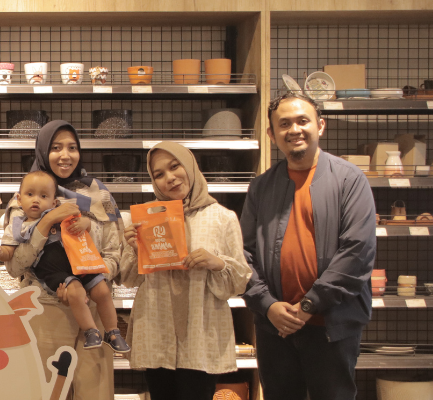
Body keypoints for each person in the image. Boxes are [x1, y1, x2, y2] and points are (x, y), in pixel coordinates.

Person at [241, 93, 375, 400]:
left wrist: (308, 305)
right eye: (284, 124)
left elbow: (357, 252)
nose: (294, 130)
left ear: (320, 126)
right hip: (275, 327)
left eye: (303, 121)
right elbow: (243, 254)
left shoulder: (349, 180)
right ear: (271, 134)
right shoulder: (261, 187)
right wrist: (267, 305)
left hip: (331, 325)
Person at [119, 141, 252, 400]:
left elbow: (239, 282)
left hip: (200, 331)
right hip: (156, 327)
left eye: (174, 166)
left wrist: (217, 262)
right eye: (159, 174)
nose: (169, 178)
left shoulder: (222, 218)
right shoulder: (146, 219)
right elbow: (128, 279)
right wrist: (136, 250)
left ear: (190, 166)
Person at [1, 120, 123, 399]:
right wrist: (46, 223)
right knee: (47, 392)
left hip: (95, 309)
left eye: (72, 147)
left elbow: (115, 253)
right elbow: (15, 267)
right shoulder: (25, 197)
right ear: (43, 151)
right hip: (45, 309)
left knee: (94, 393)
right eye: (55, 148)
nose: (65, 155)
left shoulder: (99, 194)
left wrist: (92, 281)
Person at [0, 171, 129, 352]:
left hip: (80, 266)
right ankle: (91, 331)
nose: (36, 200)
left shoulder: (69, 211)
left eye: (43, 196)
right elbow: (11, 262)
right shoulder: (17, 225)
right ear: (19, 198)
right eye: (30, 194)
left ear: (54, 202)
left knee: (102, 290)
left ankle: (113, 332)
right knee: (75, 292)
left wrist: (87, 223)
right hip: (49, 288)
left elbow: (105, 247)